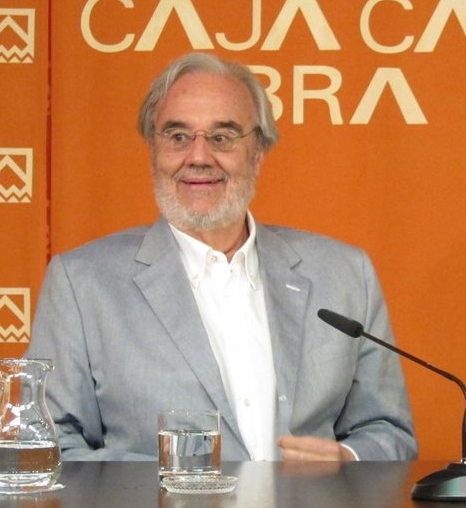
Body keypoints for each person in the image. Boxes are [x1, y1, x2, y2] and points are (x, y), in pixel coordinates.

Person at [27, 52, 417, 462]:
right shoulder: (82, 283)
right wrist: (179, 480)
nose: (198, 157)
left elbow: (389, 432)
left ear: (259, 151)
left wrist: (348, 461)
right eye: (177, 136)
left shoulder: (344, 274)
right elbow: (49, 445)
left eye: (222, 137)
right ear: (153, 148)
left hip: (311, 507)